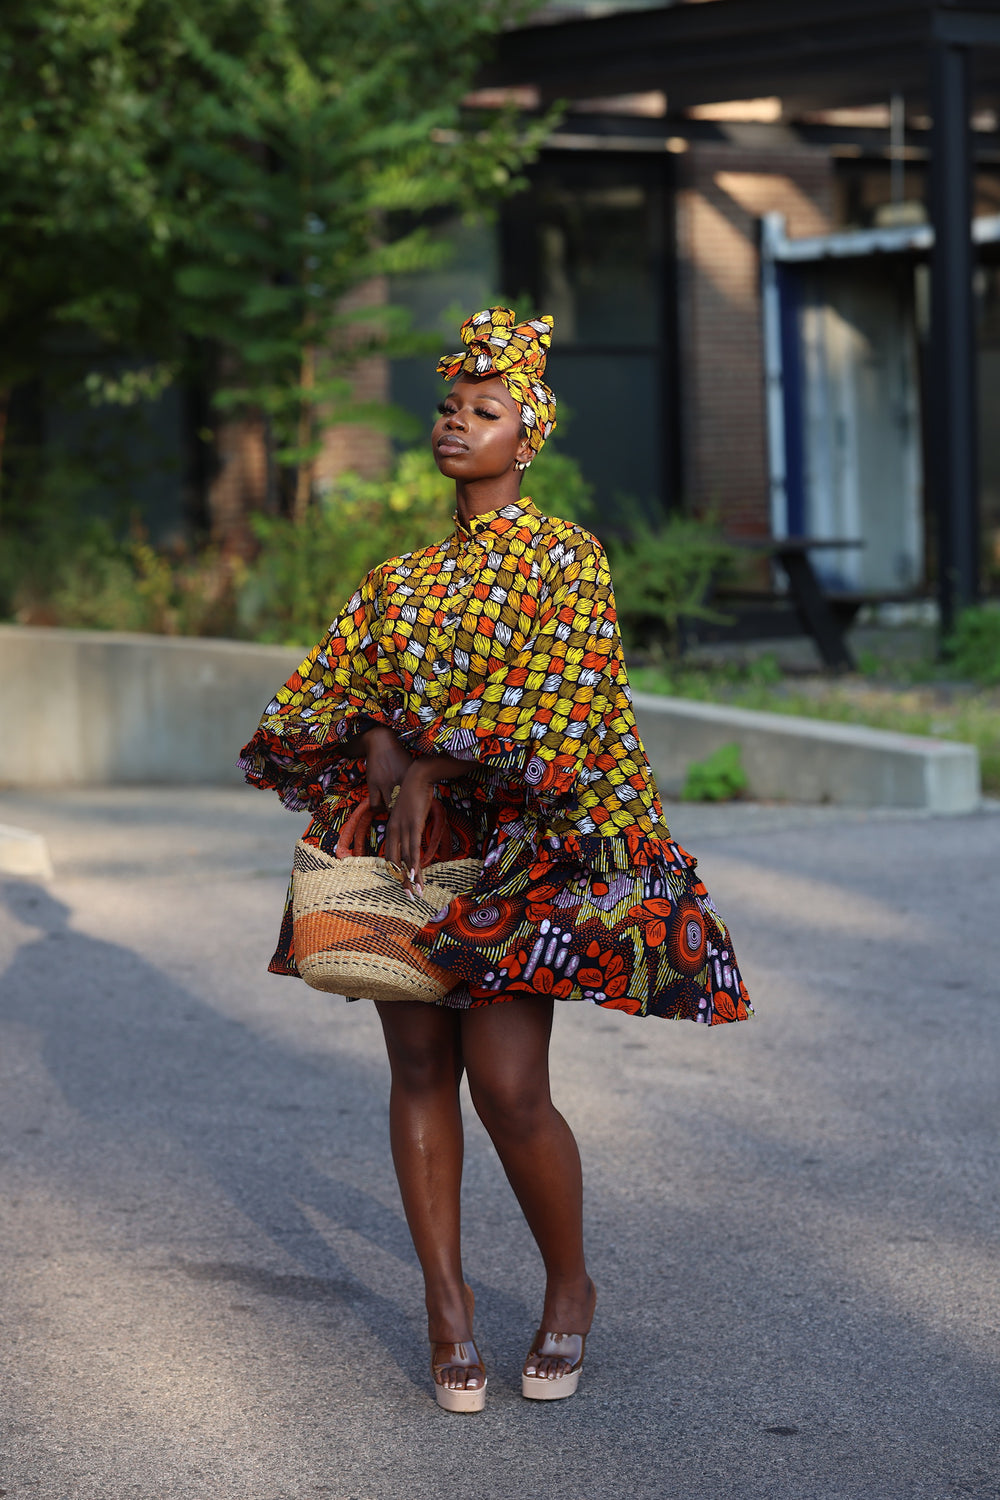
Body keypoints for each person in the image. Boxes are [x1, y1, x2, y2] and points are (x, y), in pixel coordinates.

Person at [239, 307, 752, 1413]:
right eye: (447, 407)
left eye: (485, 411)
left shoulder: (567, 557)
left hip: (525, 850)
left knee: (510, 1089)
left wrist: (438, 768)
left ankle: (570, 1285)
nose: (455, 424)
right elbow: (336, 701)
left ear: (528, 440)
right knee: (419, 1070)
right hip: (416, 860)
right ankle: (447, 1305)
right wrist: (389, 749)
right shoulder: (399, 581)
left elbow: (565, 707)